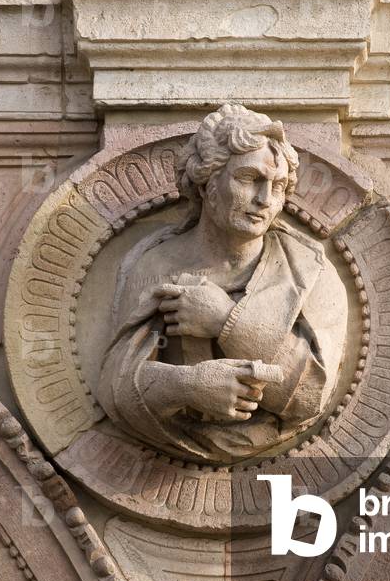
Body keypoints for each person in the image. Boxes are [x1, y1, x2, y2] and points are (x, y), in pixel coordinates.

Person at [97, 104, 348, 464]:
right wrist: (188, 386)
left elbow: (312, 392)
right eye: (248, 179)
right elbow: (118, 384)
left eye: (277, 186)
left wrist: (225, 321)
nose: (265, 200)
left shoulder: (309, 271)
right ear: (207, 180)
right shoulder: (154, 263)